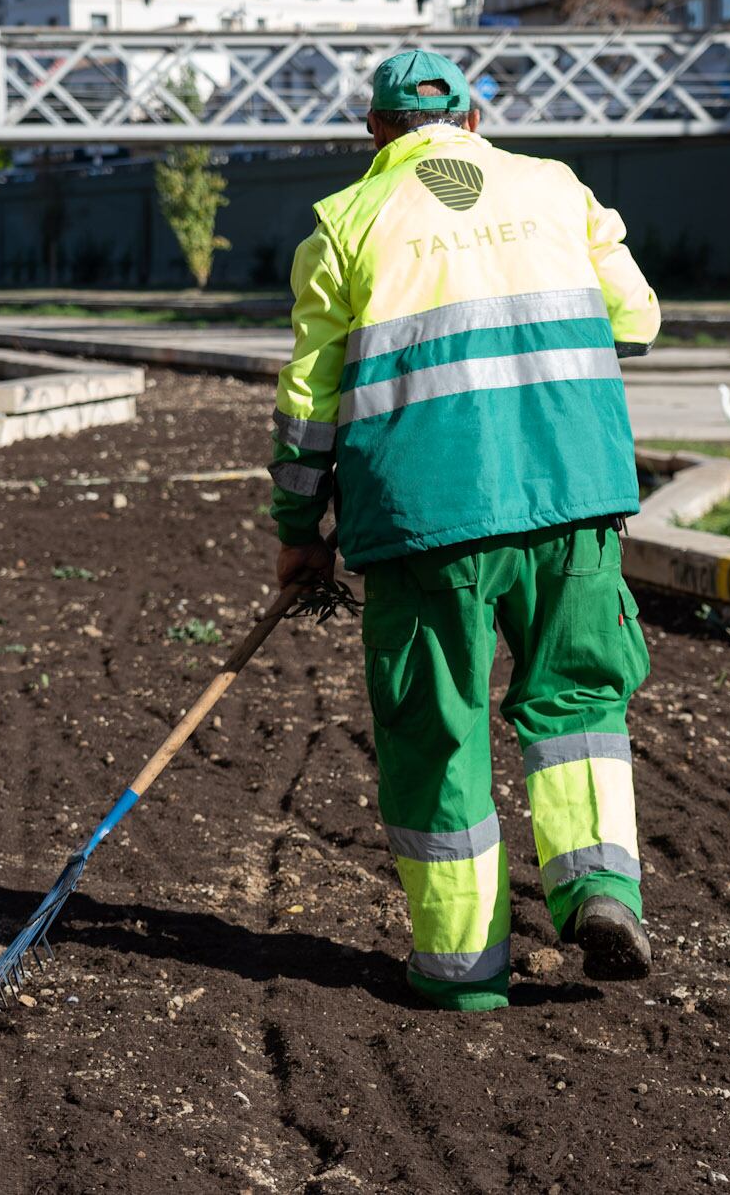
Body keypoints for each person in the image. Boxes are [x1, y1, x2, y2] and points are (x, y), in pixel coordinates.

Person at [266, 50, 662, 1011]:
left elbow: (310, 402)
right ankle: (600, 889)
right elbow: (638, 318)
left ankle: (462, 971)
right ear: (474, 121)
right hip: (573, 495)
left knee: (439, 732)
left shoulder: (343, 226)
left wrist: (297, 523)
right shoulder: (558, 189)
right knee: (577, 707)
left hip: (426, 516)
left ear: (375, 133)